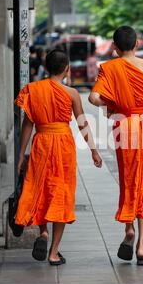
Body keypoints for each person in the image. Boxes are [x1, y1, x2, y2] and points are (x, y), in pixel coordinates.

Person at [89, 26, 143, 266]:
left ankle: (129, 229)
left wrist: (113, 106)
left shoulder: (109, 68)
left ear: (114, 47)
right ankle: (142, 248)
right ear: (136, 45)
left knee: (128, 179)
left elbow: (94, 98)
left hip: (123, 128)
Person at [15, 49, 102, 266]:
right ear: (67, 69)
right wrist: (93, 150)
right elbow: (82, 122)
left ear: (45, 67)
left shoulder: (32, 89)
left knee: (40, 189)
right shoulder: (72, 93)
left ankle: (43, 233)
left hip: (41, 142)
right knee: (60, 194)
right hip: (63, 145)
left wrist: (20, 155)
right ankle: (54, 253)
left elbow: (28, 124)